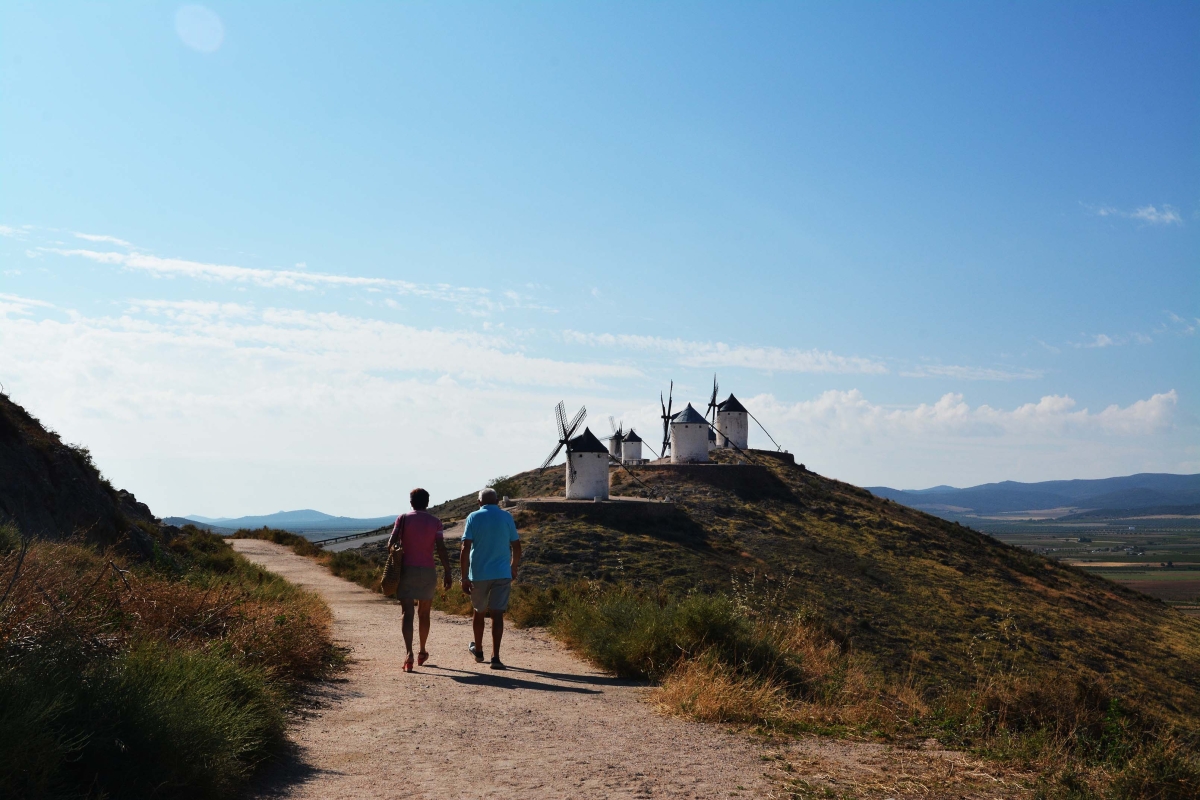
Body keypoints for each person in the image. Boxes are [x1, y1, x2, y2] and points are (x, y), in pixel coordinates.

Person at [388, 487, 452, 673]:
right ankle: (422, 651)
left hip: (406, 570)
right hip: (428, 571)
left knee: (407, 612)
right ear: (427, 502)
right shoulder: (436, 522)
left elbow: (390, 543)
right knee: (424, 613)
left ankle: (408, 654)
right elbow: (440, 547)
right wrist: (447, 571)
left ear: (411, 502)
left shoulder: (403, 518)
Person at [460, 487, 521, 670]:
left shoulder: (473, 517)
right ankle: (496, 657)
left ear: (479, 503)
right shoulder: (506, 517)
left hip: (479, 574)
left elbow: (465, 548)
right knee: (497, 614)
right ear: (497, 501)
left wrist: (464, 576)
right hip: (502, 573)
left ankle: (478, 651)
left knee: (479, 612)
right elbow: (516, 546)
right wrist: (513, 567)